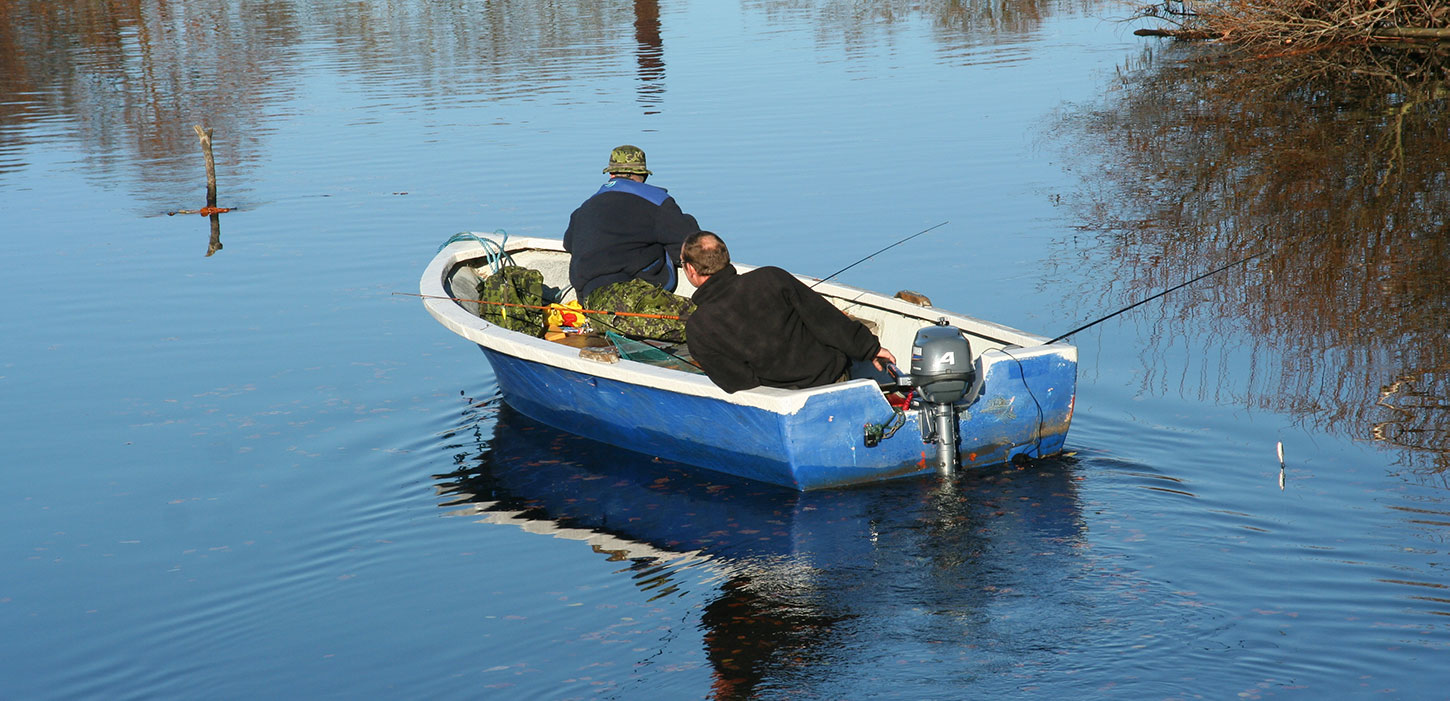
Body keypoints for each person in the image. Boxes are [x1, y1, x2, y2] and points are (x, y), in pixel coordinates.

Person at [681, 231, 897, 393]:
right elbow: (826, 321)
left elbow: (737, 382)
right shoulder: (771, 278)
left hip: (784, 399)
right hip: (833, 377)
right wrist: (870, 349)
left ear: (690, 269)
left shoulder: (698, 327)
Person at [563, 145, 698, 342]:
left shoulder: (584, 208)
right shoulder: (657, 202)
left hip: (589, 303)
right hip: (624, 299)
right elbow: (693, 248)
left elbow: (569, 244)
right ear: (640, 176)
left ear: (611, 175)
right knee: (707, 321)